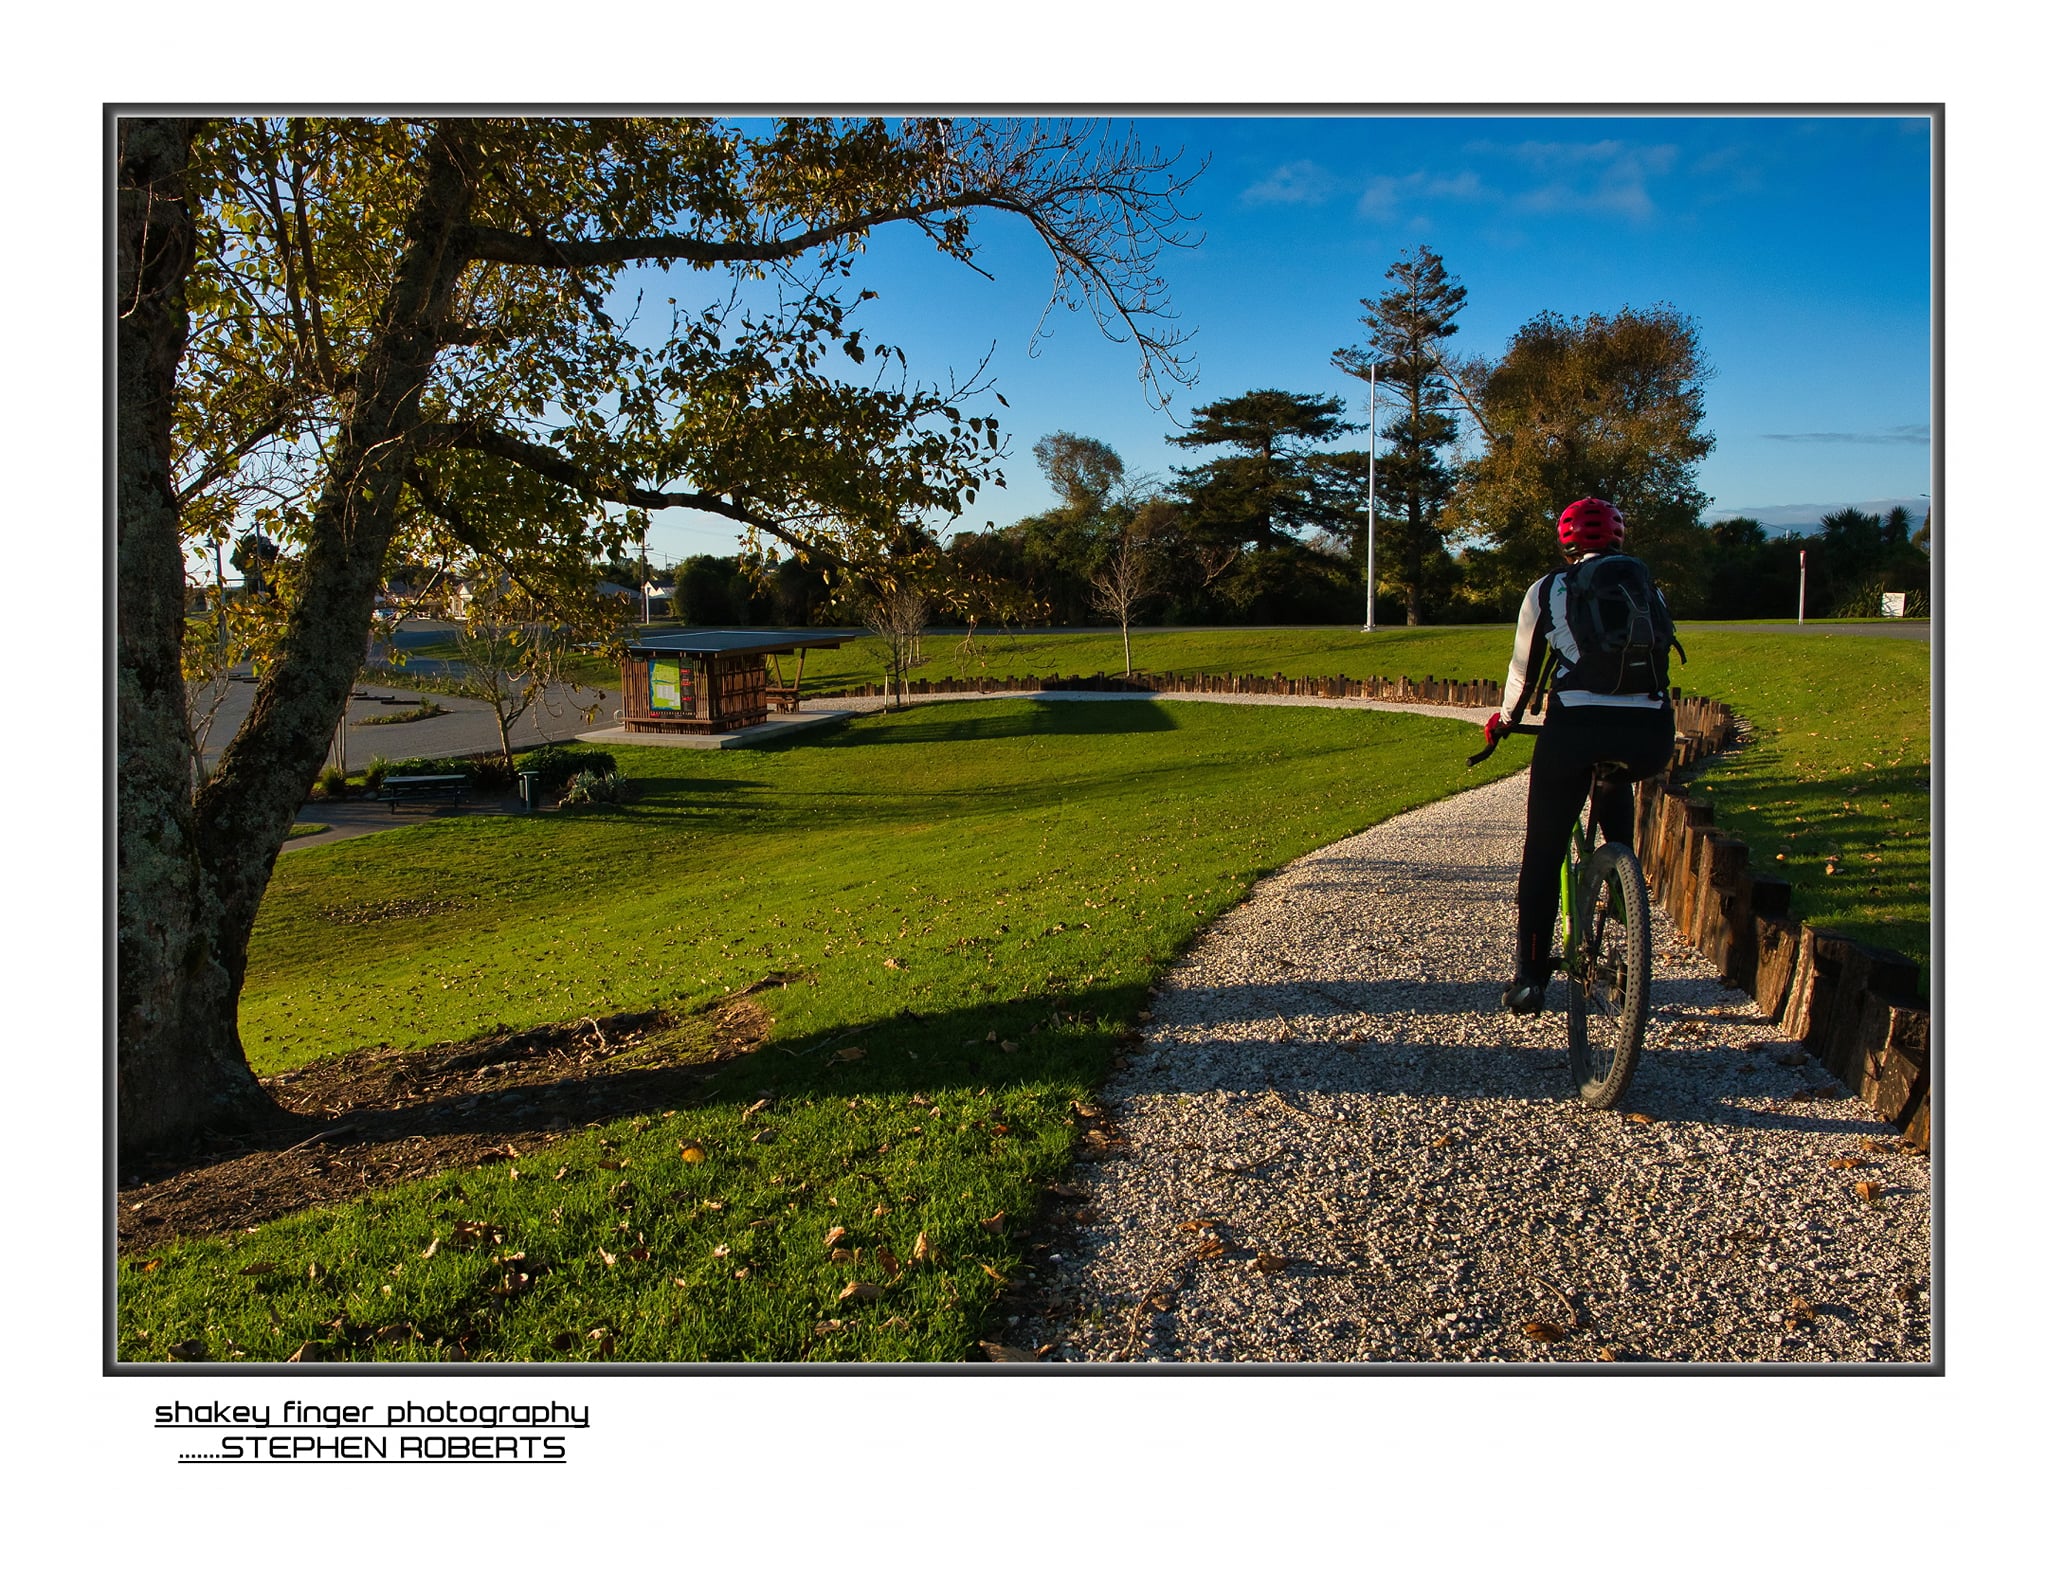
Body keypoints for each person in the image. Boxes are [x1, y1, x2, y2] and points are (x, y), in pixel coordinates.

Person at [1484, 498, 1677, 1014]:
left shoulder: (1548, 589)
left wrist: (1503, 722)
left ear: (1565, 541)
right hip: (1651, 731)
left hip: (1576, 727)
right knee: (1617, 780)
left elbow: (1524, 670)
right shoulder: (1646, 586)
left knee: (1544, 850)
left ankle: (1529, 978)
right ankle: (1622, 889)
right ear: (1618, 538)